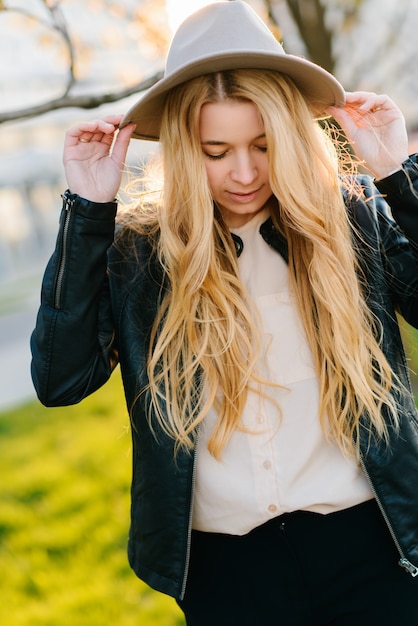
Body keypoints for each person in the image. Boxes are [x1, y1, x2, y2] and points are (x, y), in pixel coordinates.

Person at [31, 1, 418, 624]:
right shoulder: (138, 252)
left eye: (263, 145)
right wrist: (87, 211)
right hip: (225, 572)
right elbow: (59, 382)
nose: (244, 172)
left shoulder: (347, 220)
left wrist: (398, 177)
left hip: (372, 550)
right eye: (217, 151)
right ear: (186, 148)